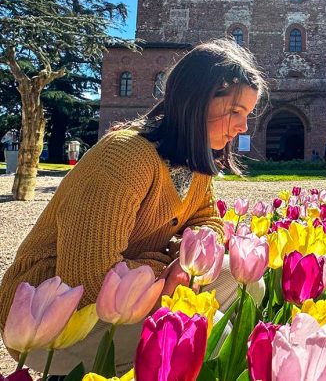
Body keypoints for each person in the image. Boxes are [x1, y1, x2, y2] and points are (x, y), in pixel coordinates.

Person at [0, 39, 267, 375]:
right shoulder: (125, 156)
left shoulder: (192, 161)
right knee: (211, 334)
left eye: (247, 115)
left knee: (246, 284)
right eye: (235, 112)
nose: (243, 128)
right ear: (195, 101)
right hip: (53, 315)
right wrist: (168, 266)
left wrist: (185, 264)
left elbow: (207, 219)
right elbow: (89, 279)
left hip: (130, 291)